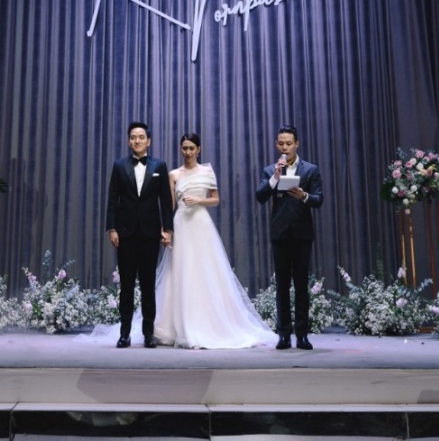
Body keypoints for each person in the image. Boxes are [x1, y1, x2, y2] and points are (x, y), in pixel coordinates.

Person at [153, 133, 275, 349]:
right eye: (184, 148)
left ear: (198, 149)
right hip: (181, 224)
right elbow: (169, 206)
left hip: (200, 223)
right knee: (180, 270)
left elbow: (216, 199)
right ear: (180, 149)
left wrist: (199, 200)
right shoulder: (173, 174)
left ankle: (204, 325)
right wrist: (166, 229)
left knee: (204, 271)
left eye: (191, 148)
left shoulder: (207, 172)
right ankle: (178, 326)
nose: (188, 152)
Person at [255, 125, 324, 349]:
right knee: (282, 285)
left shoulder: (310, 170)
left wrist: (303, 195)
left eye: (289, 143)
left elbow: (319, 199)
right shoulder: (270, 170)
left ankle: (302, 334)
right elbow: (260, 197)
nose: (285, 147)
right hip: (280, 234)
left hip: (302, 234)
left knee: (301, 285)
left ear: (297, 144)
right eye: (281, 144)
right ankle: (283, 334)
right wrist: (275, 178)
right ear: (276, 145)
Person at [105, 122, 174, 347]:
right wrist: (112, 228)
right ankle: (124, 333)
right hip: (125, 233)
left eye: (141, 137)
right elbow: (112, 200)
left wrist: (168, 230)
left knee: (148, 285)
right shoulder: (119, 165)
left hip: (150, 233)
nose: (137, 140)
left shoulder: (159, 166)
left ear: (148, 141)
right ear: (128, 141)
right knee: (126, 285)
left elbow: (166, 201)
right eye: (133, 137)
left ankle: (148, 334)